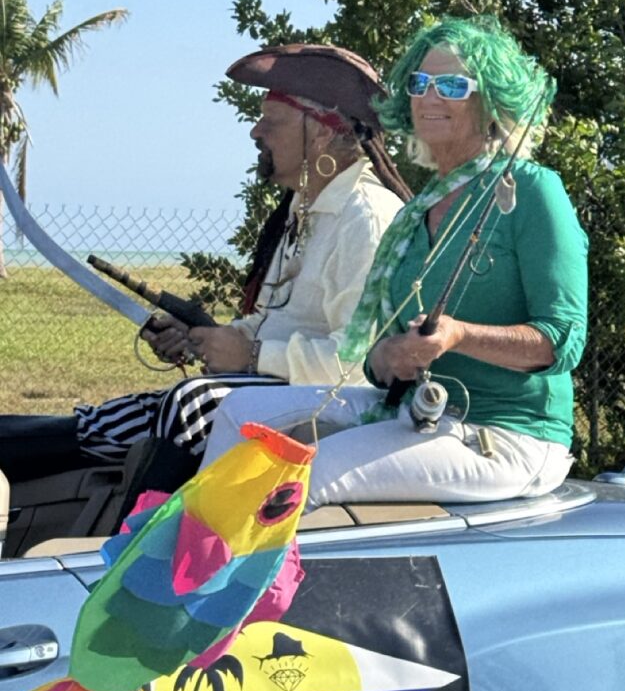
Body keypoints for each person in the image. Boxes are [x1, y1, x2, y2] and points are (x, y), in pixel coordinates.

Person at [201, 15, 588, 507]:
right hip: (415, 412)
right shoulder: (417, 212)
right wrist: (385, 358)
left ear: (490, 101)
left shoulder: (533, 191)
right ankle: (195, 559)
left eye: (452, 84)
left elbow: (563, 340)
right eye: (419, 83)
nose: (430, 97)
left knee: (298, 480)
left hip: (509, 435)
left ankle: (235, 574)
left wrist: (458, 336)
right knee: (239, 411)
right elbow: (375, 355)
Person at [0, 44, 410, 496]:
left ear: (324, 132)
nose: (256, 132)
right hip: (281, 388)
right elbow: (277, 323)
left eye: (271, 122)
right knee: (122, 419)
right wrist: (213, 340)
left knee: (189, 404)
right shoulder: (305, 208)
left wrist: (251, 358)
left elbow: (352, 365)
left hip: (337, 405)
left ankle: (148, 549)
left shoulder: (365, 217)